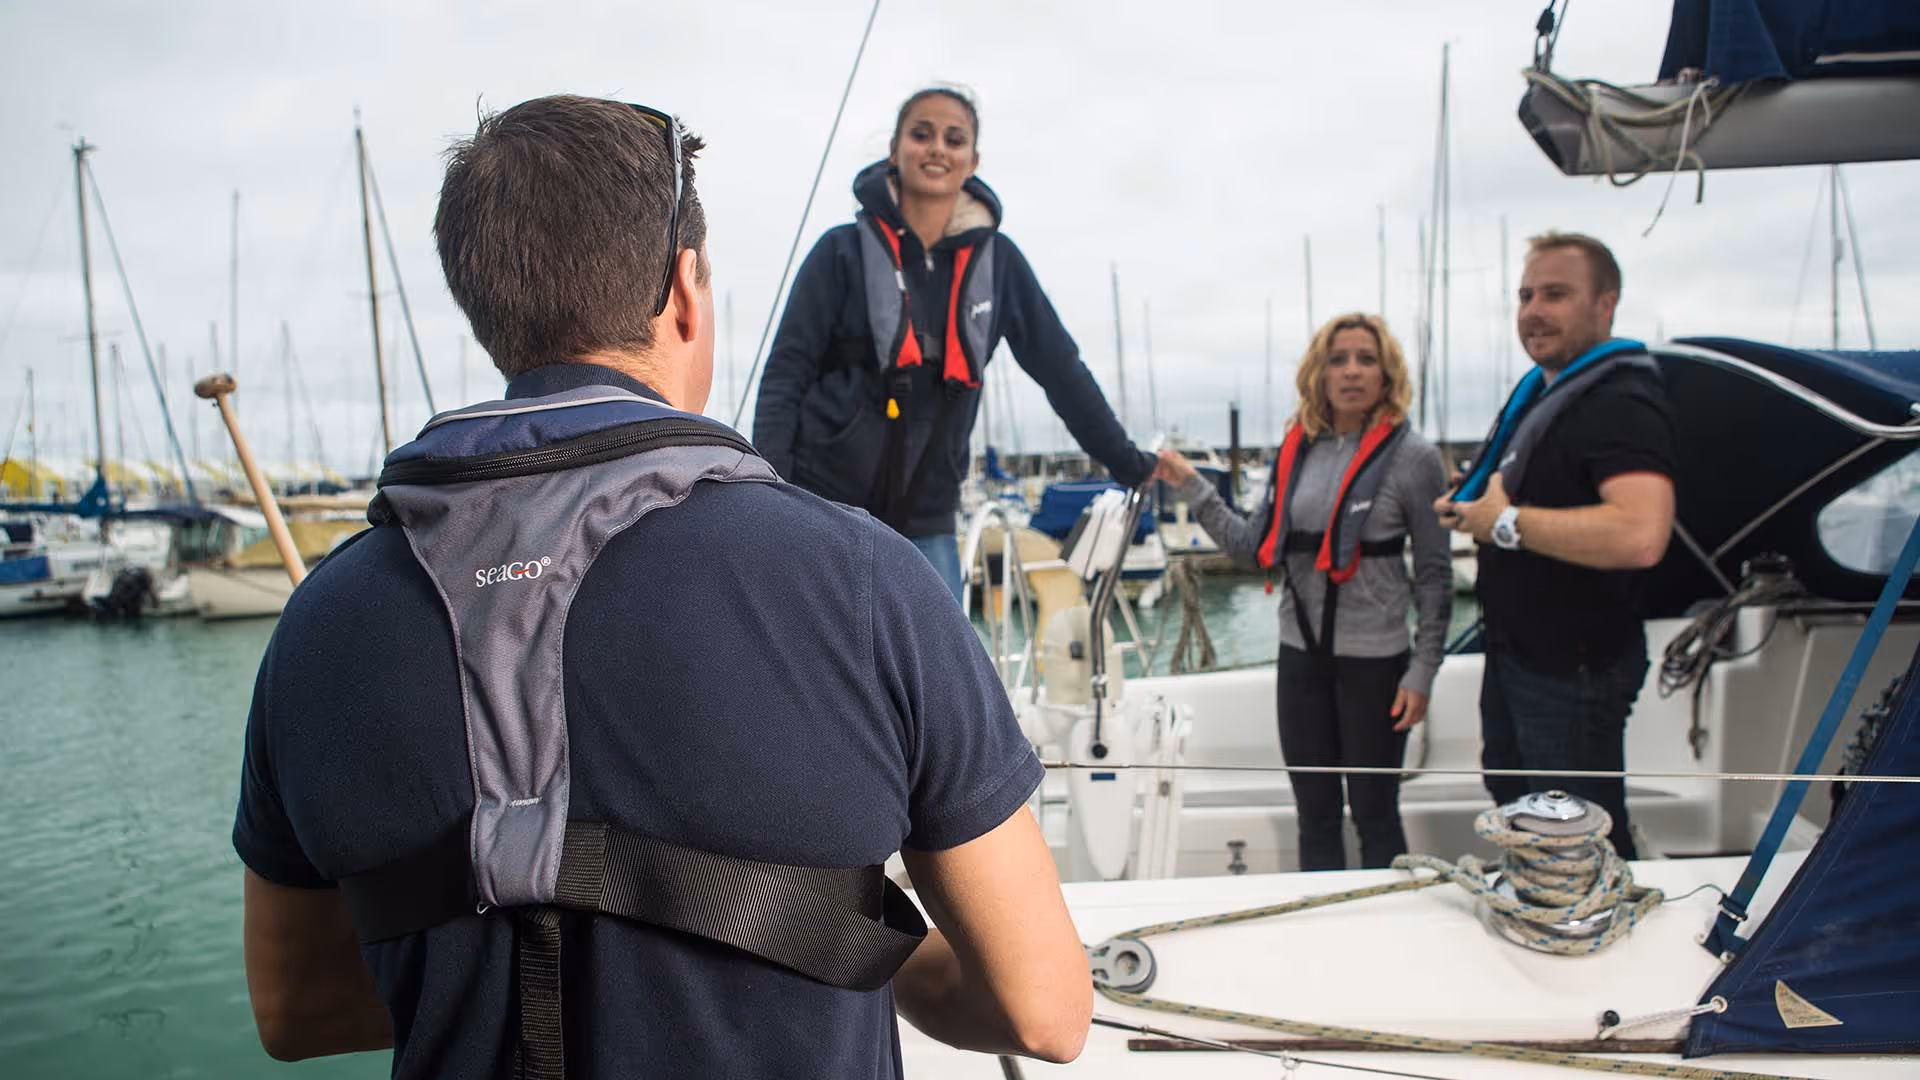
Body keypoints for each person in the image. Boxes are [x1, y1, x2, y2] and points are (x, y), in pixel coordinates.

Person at [232, 95, 1089, 1079]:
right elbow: (1045, 1009)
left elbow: (298, 1011)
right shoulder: (863, 583)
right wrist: (825, 944)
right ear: (684, 289)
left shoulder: (320, 624)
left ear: (486, 304)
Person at [752, 87, 1154, 603]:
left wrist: (1131, 465)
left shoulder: (1000, 265)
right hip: (823, 505)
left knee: (936, 678)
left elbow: (1062, 372)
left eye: (954, 138)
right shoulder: (839, 252)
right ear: (895, 149)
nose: (937, 148)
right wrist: (771, 497)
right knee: (814, 674)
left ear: (973, 161)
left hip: (928, 519)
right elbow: (786, 376)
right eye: (921, 134)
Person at [1156, 313, 1451, 871]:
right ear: (1318, 373)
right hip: (1301, 662)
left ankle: (1389, 932)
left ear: (1388, 374)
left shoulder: (1414, 458)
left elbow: (1434, 576)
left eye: (1367, 359)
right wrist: (1191, 484)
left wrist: (1423, 670)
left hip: (1377, 665)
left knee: (1375, 813)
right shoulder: (1301, 450)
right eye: (1338, 359)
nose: (1352, 371)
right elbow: (1250, 547)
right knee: (1313, 813)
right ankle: (1324, 931)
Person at [1434, 231, 1676, 859]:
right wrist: (1476, 510)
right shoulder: (1553, 395)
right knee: (1518, 801)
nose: (1534, 310)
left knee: (1573, 834)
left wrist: (1505, 523)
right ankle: (1543, 917)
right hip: (1522, 655)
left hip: (1574, 666)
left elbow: (1640, 533)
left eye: (1557, 294)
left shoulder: (1618, 399)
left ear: (1606, 305)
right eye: (1525, 295)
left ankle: (1588, 935)